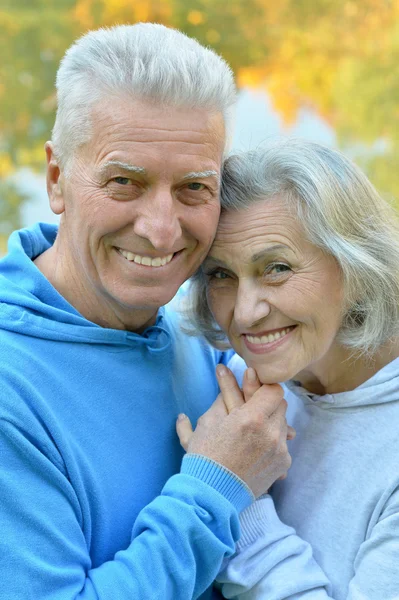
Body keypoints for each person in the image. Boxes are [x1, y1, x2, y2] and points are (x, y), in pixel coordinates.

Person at [0, 25, 294, 600]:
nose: (161, 232)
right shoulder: (12, 391)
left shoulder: (195, 315)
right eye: (124, 182)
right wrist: (217, 488)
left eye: (192, 189)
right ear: (57, 179)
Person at [183, 138, 399, 599]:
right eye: (221, 274)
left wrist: (235, 499)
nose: (244, 314)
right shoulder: (248, 388)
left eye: (276, 268)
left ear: (357, 265)